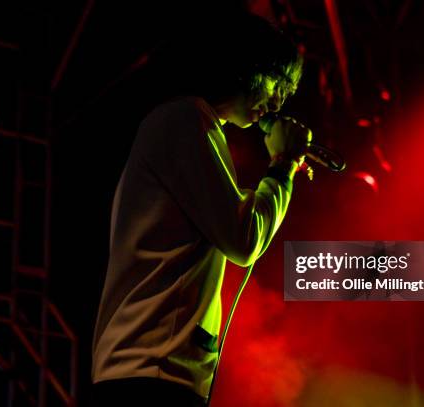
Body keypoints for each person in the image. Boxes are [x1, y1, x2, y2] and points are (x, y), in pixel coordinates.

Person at [91, 12, 310, 407]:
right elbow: (244, 240)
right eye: (277, 84)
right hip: (152, 371)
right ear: (249, 68)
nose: (277, 102)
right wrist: (282, 166)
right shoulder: (187, 120)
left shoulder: (189, 124)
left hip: (149, 369)